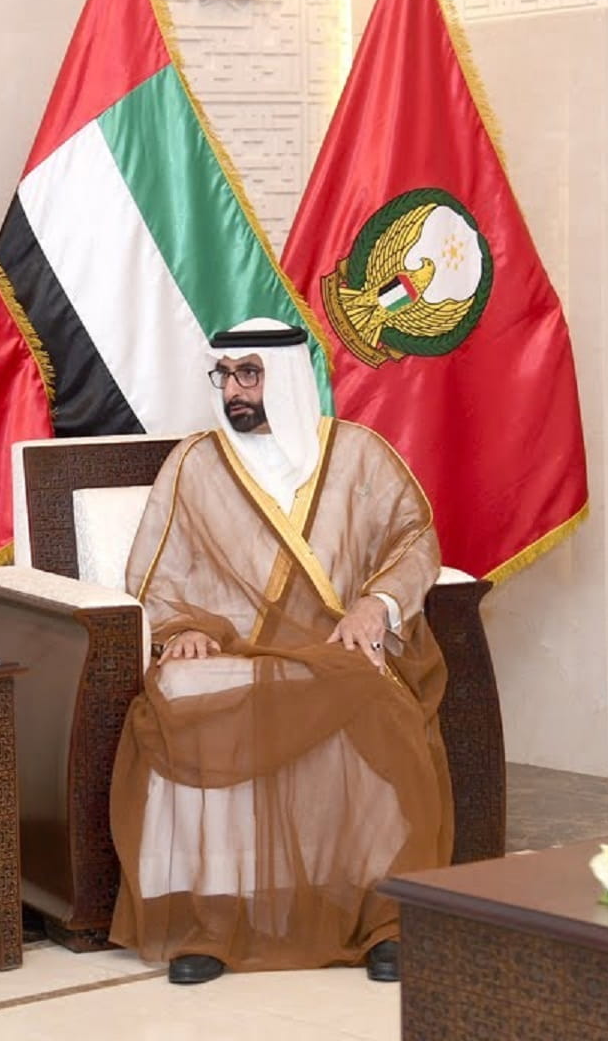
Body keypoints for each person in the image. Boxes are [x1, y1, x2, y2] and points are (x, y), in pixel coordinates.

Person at [109, 318, 452, 986]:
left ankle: (385, 913)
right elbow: (157, 572)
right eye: (225, 375)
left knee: (372, 691)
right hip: (233, 645)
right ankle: (212, 918)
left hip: (335, 644)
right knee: (180, 691)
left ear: (289, 377)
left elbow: (415, 541)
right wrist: (180, 627)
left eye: (250, 374)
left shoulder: (359, 454)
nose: (234, 390)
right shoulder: (195, 464)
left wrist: (376, 607)